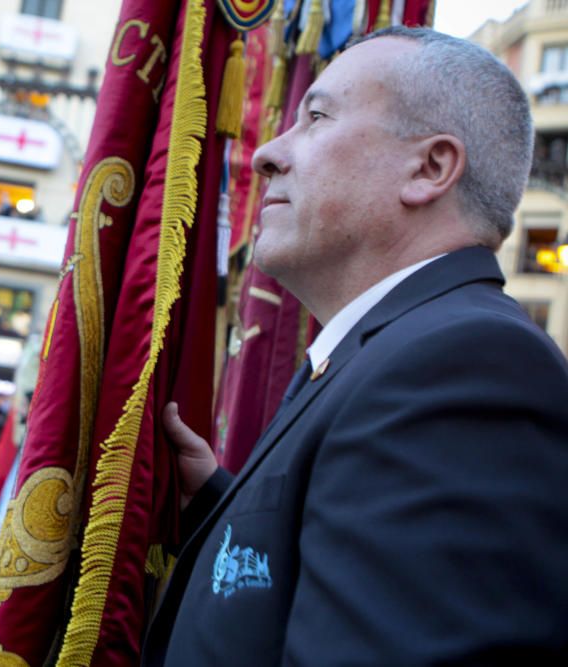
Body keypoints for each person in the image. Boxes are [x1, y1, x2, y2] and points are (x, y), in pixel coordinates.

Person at [144, 28, 568, 666]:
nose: (266, 155)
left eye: (315, 117)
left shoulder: (467, 366)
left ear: (429, 169)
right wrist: (217, 501)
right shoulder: (397, 351)